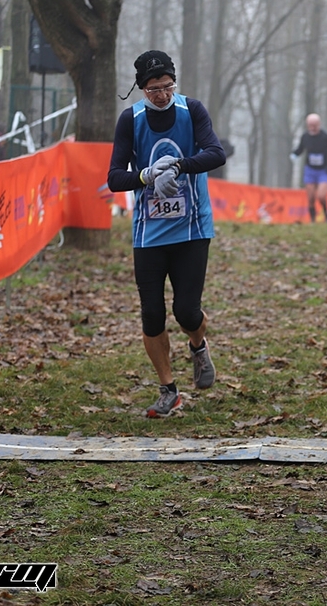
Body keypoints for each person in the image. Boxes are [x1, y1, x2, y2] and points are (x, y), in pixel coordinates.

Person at [107, 50, 226, 418]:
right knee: (152, 315)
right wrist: (145, 176)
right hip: (149, 233)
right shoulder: (131, 120)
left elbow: (215, 154)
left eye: (167, 86)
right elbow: (114, 178)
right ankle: (168, 390)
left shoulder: (193, 111)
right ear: (142, 89)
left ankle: (197, 344)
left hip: (192, 228)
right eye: (153, 89)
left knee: (186, 311)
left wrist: (178, 166)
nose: (162, 94)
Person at [291, 113, 327, 222]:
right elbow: (300, 149)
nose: (312, 128)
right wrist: (294, 154)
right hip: (310, 170)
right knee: (310, 198)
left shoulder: (326, 137)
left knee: (321, 196)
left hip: (323, 170)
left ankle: (326, 215)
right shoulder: (305, 137)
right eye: (310, 125)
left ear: (319, 124)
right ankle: (313, 220)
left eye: (314, 125)